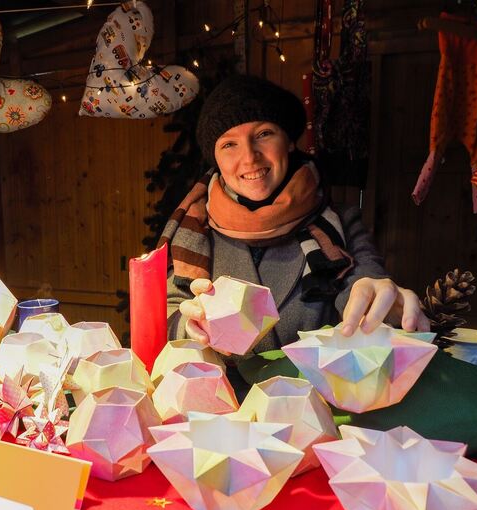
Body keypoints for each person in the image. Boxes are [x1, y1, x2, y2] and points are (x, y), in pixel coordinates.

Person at [163, 75, 429, 357]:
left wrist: (375, 299)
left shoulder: (342, 222)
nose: (250, 157)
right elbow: (169, 312)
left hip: (313, 386)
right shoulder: (194, 230)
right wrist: (190, 328)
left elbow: (362, 281)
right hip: (220, 386)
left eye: (264, 134)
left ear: (289, 142)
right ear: (215, 158)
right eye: (229, 144)